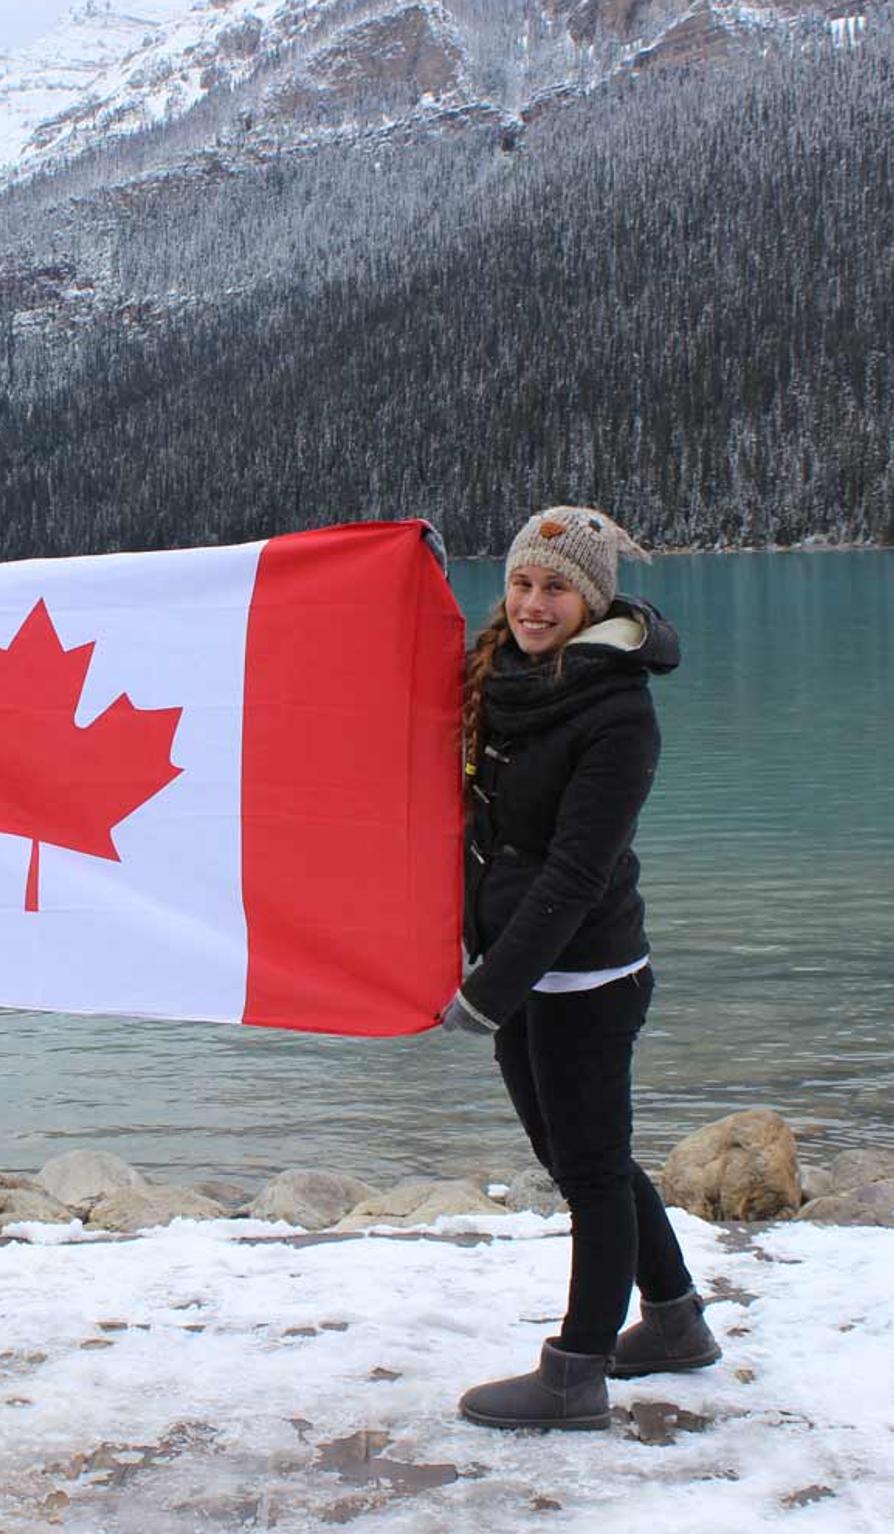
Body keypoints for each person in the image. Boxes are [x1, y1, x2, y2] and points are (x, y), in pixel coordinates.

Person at [438, 505, 720, 1431]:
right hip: (520, 972)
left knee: (591, 1173)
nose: (533, 603)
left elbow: (574, 874)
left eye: (555, 587)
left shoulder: (618, 712)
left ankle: (576, 1372)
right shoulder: (503, 673)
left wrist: (489, 990)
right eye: (522, 582)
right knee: (575, 1156)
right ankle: (675, 1321)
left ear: (592, 598)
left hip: (587, 980)